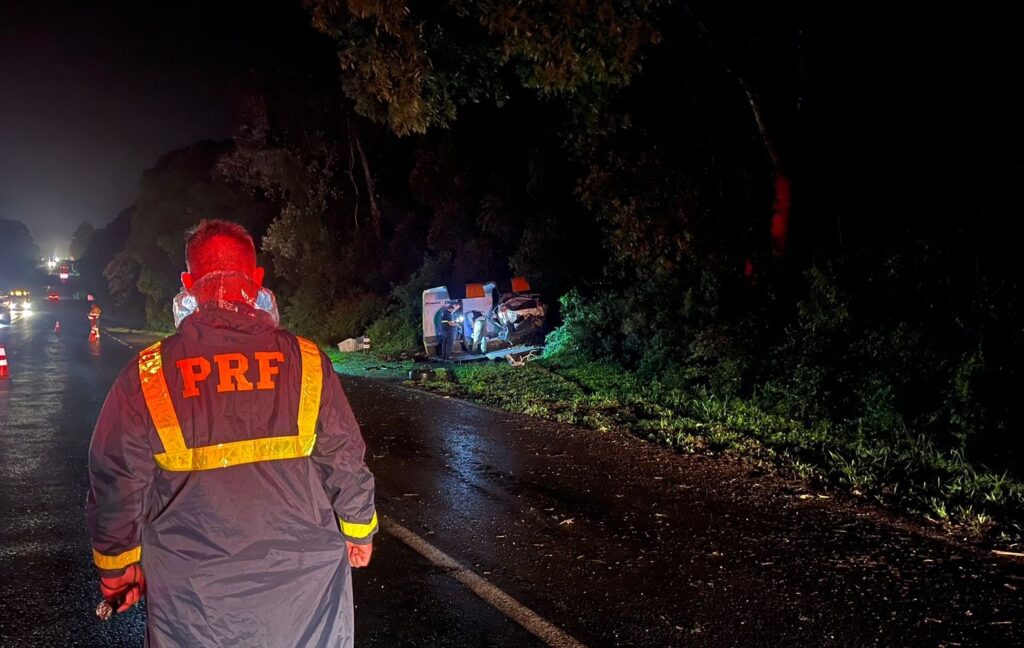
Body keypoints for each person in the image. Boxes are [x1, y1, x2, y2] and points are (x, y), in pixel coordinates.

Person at [86, 220, 377, 647]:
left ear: (188, 283)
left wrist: (117, 566)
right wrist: (358, 530)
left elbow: (116, 480)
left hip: (194, 610)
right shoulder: (308, 362)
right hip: (304, 603)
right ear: (257, 280)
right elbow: (344, 457)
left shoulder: (149, 375)